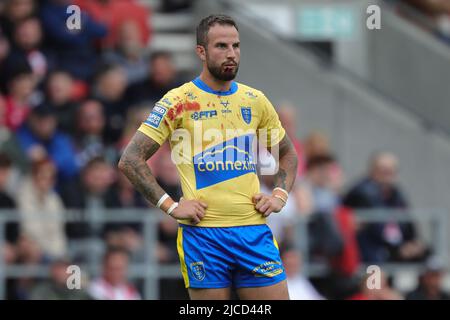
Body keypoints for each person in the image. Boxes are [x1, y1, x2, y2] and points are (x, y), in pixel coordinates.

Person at [119, 14, 298, 300]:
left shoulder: (255, 100)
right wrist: (170, 205)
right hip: (204, 237)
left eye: (236, 46)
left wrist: (279, 195)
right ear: (201, 52)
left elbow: (287, 153)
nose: (231, 54)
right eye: (221, 46)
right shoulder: (177, 101)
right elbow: (130, 159)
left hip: (253, 232)